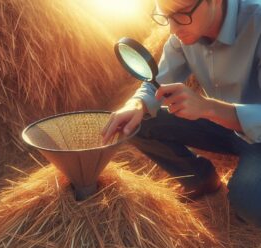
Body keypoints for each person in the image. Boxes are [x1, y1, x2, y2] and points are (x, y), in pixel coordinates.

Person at [102, 0, 261, 226]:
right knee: (137, 122)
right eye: (165, 17)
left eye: (181, 15)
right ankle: (201, 179)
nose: (173, 30)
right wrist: (136, 104)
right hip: (219, 125)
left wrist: (208, 107)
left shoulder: (257, 21)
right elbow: (155, 83)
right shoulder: (182, 33)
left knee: (249, 204)